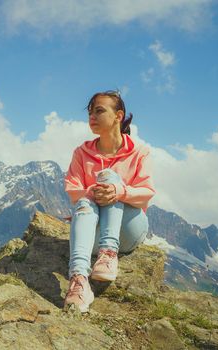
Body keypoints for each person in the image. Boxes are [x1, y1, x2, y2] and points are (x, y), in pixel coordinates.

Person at [63, 90, 156, 312]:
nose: (92, 117)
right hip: (92, 235)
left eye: (99, 111)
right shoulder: (81, 153)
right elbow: (74, 192)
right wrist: (96, 194)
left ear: (118, 116)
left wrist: (117, 191)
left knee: (110, 179)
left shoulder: (140, 152)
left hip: (129, 228)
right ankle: (79, 280)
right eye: (90, 113)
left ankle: (109, 253)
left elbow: (146, 192)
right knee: (85, 203)